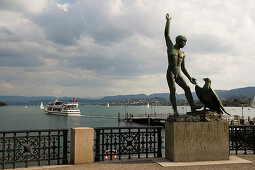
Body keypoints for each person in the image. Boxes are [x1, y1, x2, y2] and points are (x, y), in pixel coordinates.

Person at [164, 13, 197, 116]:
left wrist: (190, 77)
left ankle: (193, 108)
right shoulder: (170, 47)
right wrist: (168, 21)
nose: (185, 44)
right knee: (173, 91)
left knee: (187, 88)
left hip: (179, 74)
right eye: (184, 42)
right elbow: (166, 34)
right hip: (171, 73)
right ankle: (175, 111)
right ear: (179, 41)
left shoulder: (183, 53)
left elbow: (183, 67)